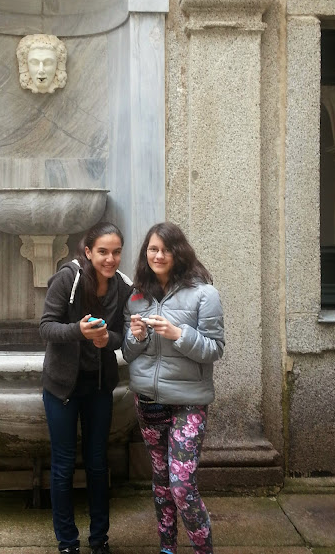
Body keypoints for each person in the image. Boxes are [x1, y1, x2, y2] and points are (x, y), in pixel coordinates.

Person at [122, 222, 224, 554]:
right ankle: (167, 548)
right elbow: (128, 353)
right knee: (162, 483)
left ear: (179, 252)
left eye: (166, 249)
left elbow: (215, 349)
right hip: (148, 400)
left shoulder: (204, 294)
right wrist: (136, 337)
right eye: (153, 249)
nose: (159, 255)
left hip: (188, 402)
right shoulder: (136, 296)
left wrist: (178, 334)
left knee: (182, 487)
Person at [40, 221, 133, 554]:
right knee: (63, 465)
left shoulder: (123, 287)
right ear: (89, 251)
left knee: (97, 464)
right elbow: (46, 327)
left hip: (98, 387)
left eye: (116, 252)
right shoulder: (69, 278)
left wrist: (109, 340)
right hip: (62, 387)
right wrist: (78, 331)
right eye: (103, 252)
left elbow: (122, 336)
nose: (110, 259)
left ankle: (99, 539)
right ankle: (67, 542)